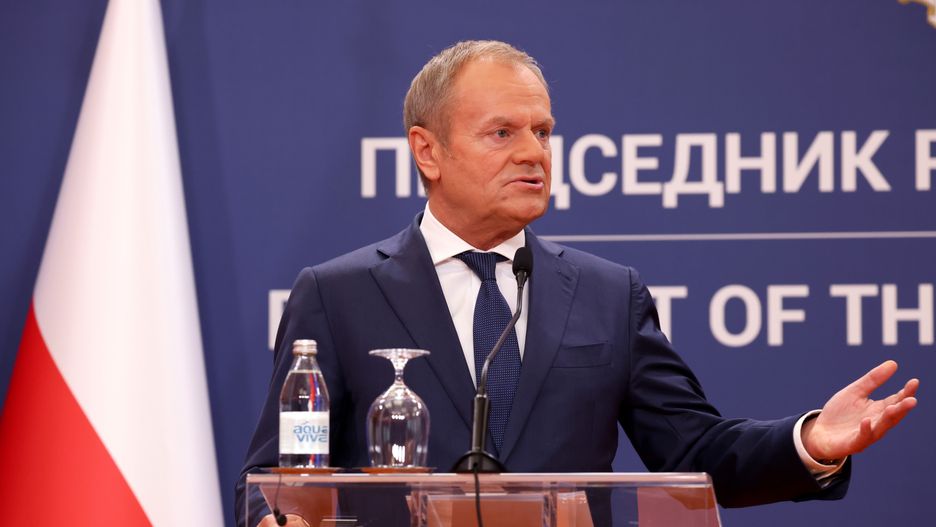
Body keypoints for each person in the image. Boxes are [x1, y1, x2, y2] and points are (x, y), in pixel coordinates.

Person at [235, 40, 919, 527]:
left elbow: (695, 454)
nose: (534, 152)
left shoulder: (605, 293)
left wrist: (810, 442)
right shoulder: (338, 293)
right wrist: (274, 519)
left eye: (543, 131)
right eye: (502, 132)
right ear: (427, 151)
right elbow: (275, 480)